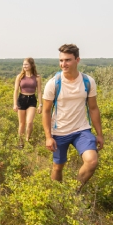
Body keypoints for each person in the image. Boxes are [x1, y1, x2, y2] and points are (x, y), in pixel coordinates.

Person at [41, 44, 104, 191]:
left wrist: (99, 134)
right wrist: (48, 137)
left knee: (92, 161)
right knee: (57, 167)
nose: (64, 64)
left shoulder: (88, 81)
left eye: (68, 60)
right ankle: (56, 197)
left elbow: (93, 108)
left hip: (81, 130)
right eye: (61, 60)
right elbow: (46, 111)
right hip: (59, 132)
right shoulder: (53, 84)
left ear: (77, 60)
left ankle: (73, 191)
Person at [13, 58, 42, 148]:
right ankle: (20, 143)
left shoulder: (37, 77)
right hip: (22, 99)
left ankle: (27, 139)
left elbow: (40, 91)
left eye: (26, 64)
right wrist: (15, 104)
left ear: (31, 65)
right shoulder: (20, 76)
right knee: (22, 123)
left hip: (32, 99)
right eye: (23, 64)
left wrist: (40, 104)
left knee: (29, 122)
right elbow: (16, 90)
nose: (24, 66)